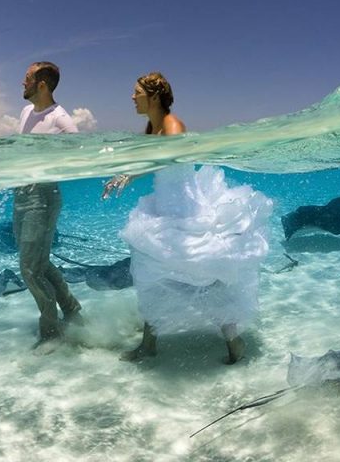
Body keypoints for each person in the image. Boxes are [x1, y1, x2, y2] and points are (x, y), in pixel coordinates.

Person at [103, 72, 272, 364]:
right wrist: (121, 172)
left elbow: (166, 160)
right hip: (164, 211)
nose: (132, 97)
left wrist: (130, 174)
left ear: (154, 96)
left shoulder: (173, 125)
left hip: (186, 212)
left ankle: (234, 341)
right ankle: (149, 344)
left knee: (206, 276)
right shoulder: (151, 127)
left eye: (137, 92)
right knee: (150, 275)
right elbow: (146, 159)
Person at [14, 62, 83, 350]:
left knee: (29, 269)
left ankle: (50, 331)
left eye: (27, 78)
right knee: (38, 262)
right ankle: (72, 308)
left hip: (43, 197)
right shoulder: (26, 112)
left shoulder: (62, 121)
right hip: (21, 194)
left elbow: (81, 153)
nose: (22, 82)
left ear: (41, 84)